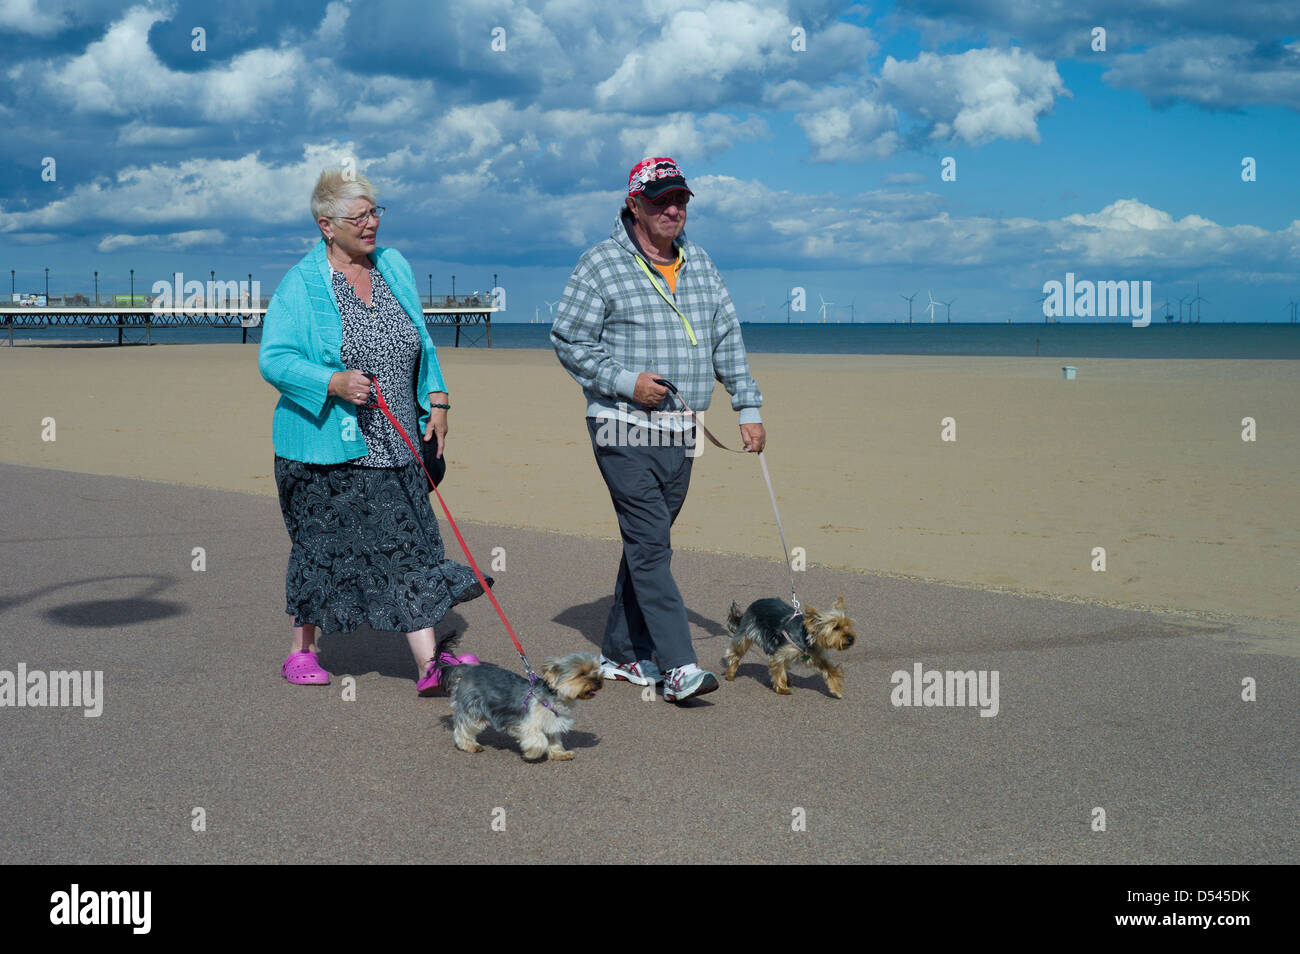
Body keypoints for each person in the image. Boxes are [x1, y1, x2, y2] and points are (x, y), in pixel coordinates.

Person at [259, 168, 484, 693]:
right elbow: (274, 359)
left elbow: (420, 341)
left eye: (375, 212)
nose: (371, 224)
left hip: (397, 442)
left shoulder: (393, 266)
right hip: (321, 448)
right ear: (325, 226)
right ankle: (302, 651)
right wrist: (331, 381)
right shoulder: (302, 283)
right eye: (357, 216)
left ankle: (430, 665)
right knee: (321, 550)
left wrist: (438, 399)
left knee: (412, 548)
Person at [551, 156, 766, 703]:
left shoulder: (701, 262)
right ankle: (678, 667)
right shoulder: (600, 263)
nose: (673, 209)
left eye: (681, 200)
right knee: (651, 545)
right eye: (661, 200)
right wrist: (625, 382)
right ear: (634, 205)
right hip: (621, 426)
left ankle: (621, 654)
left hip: (684, 429)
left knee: (648, 543)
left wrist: (748, 407)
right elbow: (569, 339)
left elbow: (726, 337)